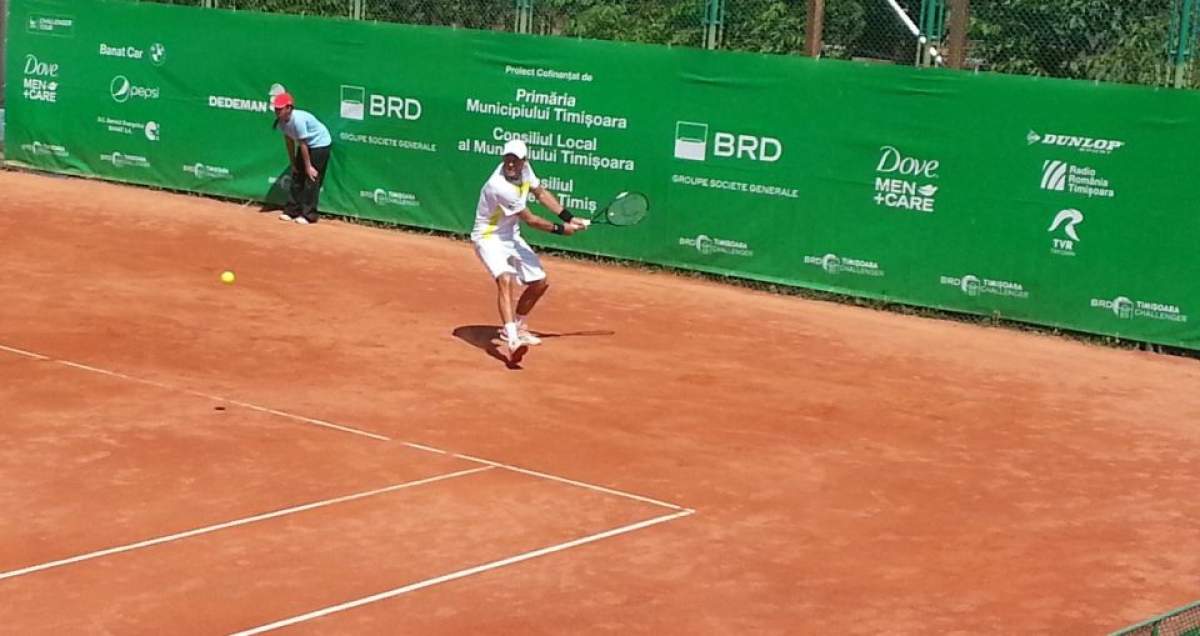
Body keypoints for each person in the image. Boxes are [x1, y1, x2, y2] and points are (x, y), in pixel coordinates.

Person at [471, 139, 588, 357]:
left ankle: (519, 326)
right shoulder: (499, 186)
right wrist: (562, 229)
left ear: (524, 161)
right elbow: (531, 220)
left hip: (510, 235)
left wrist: (570, 217)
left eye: (515, 160)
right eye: (507, 158)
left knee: (540, 282)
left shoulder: (525, 171)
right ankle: (513, 339)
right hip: (488, 237)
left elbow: (541, 193)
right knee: (505, 278)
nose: (511, 164)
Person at [272, 92, 331, 225]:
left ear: (289, 108)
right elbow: (289, 142)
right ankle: (292, 210)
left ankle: (309, 215)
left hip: (319, 144)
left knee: (311, 177)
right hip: (306, 145)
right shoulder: (281, 122)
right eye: (276, 109)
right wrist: (293, 163)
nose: (277, 112)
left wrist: (308, 166)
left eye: (280, 109)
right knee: (297, 175)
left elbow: (303, 144)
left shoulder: (298, 120)